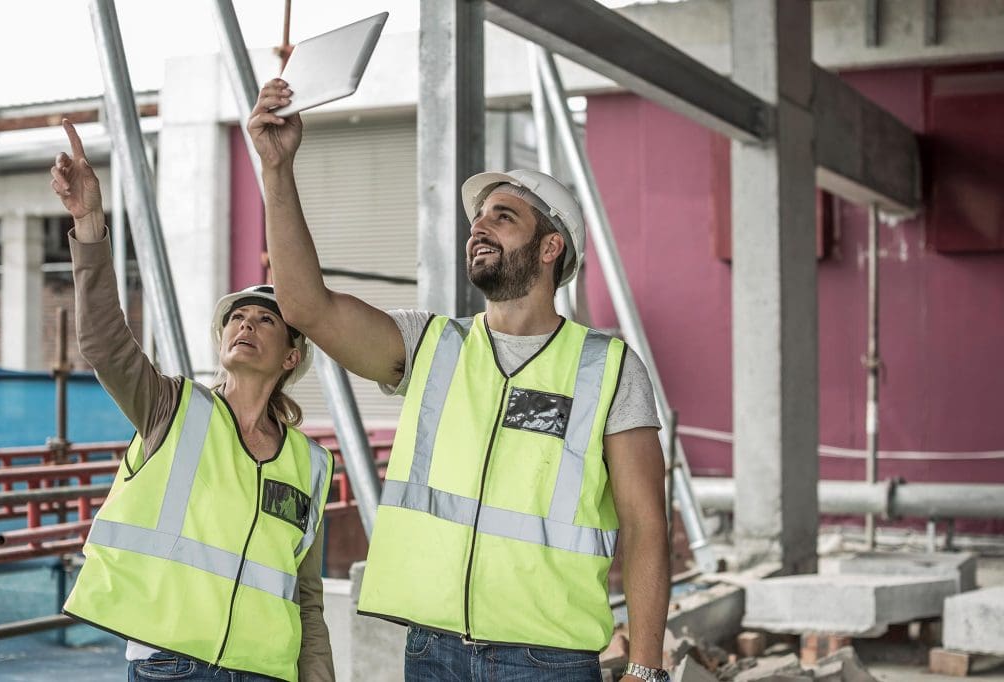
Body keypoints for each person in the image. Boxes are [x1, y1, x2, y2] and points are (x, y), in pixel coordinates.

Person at [249, 79, 671, 682]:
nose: (480, 227)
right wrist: (276, 170)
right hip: (433, 652)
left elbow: (645, 523)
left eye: (503, 216)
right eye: (478, 217)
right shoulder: (433, 346)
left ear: (552, 246)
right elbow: (306, 308)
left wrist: (646, 667)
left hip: (546, 659)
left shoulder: (607, 367)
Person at [51, 119, 336, 682]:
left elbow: (306, 598)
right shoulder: (171, 408)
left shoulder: (312, 464)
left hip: (266, 671)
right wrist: (88, 224)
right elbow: (105, 344)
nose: (244, 325)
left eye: (264, 320)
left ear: (290, 358)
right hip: (172, 666)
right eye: (235, 318)